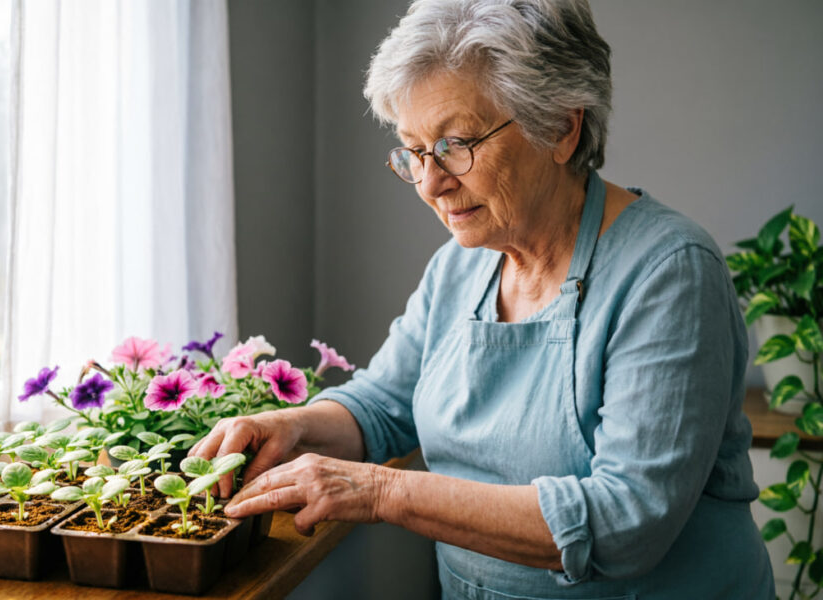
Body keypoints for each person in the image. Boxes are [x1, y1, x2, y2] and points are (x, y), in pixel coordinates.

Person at [192, 0, 774, 597]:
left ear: (561, 127)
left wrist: (379, 491)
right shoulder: (461, 266)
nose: (429, 183)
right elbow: (384, 404)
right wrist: (289, 425)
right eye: (413, 151)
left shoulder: (669, 271)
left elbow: (625, 523)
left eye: (455, 144)